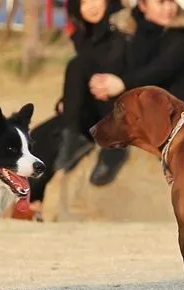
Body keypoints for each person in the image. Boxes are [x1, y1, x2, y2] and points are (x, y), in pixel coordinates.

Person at [53, 0, 131, 186]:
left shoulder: (125, 28)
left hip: (121, 103)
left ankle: (115, 149)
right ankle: (73, 136)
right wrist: (68, 99)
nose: (92, 6)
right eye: (84, 2)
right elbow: (86, 70)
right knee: (76, 66)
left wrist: (114, 83)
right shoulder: (82, 34)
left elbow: (120, 65)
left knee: (83, 67)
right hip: (96, 103)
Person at [88, 0, 184, 106]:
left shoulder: (182, 30)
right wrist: (102, 83)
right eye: (161, 2)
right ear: (142, 5)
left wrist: (123, 83)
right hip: (133, 106)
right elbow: (112, 60)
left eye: (171, 1)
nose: (168, 8)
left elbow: (163, 67)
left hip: (173, 108)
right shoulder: (124, 27)